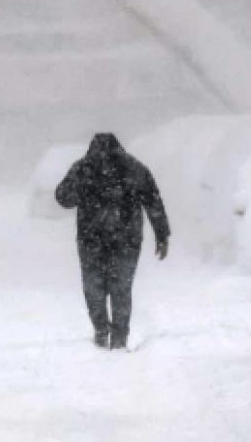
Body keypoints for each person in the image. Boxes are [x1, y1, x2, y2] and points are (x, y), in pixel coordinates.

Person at [56, 132, 170, 350]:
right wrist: (162, 234)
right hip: (125, 240)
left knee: (94, 289)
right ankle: (117, 338)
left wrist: (83, 190)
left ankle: (102, 330)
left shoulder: (84, 167)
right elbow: (153, 202)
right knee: (119, 290)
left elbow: (62, 197)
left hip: (93, 240)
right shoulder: (134, 168)